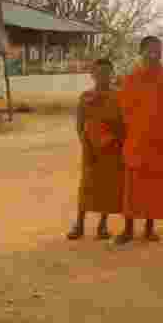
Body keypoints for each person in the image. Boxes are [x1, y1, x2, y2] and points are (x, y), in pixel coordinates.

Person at [116, 36, 163, 245]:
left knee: (154, 185)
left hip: (157, 142)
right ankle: (128, 228)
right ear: (141, 52)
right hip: (136, 139)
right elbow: (123, 110)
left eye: (158, 51)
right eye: (151, 50)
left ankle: (150, 228)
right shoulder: (131, 79)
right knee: (132, 185)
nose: (155, 54)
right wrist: (133, 129)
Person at [67, 58, 124, 240]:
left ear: (111, 74)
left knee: (108, 186)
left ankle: (102, 225)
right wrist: (86, 144)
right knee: (86, 186)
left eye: (106, 73)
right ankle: (79, 224)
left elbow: (123, 124)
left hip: (112, 148)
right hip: (90, 148)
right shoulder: (85, 97)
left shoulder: (119, 96)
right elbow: (79, 124)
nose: (103, 77)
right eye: (99, 73)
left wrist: (117, 143)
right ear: (92, 75)